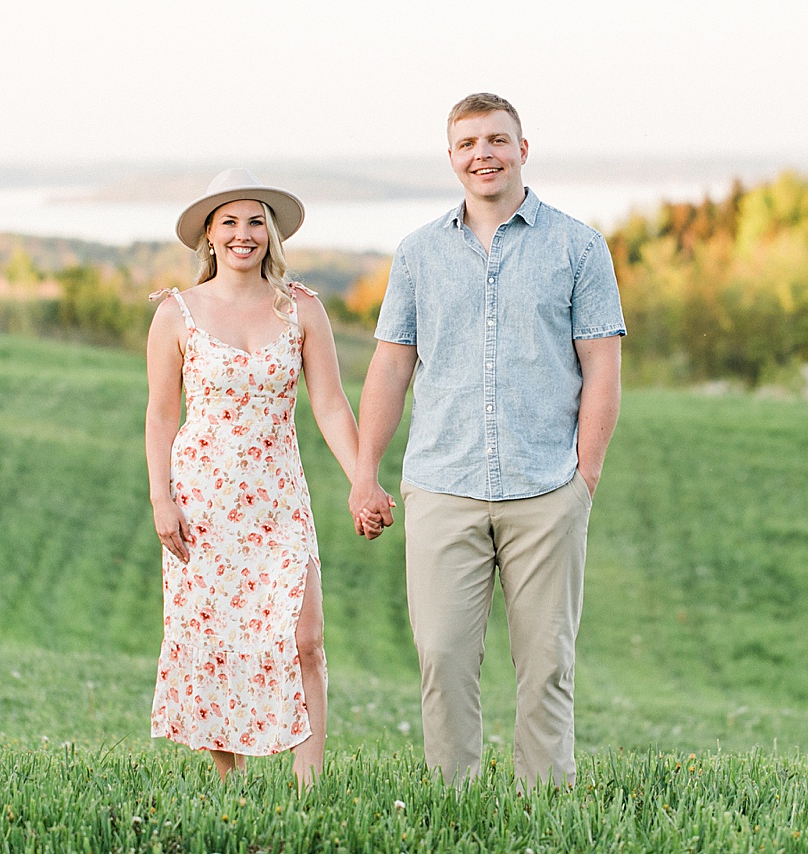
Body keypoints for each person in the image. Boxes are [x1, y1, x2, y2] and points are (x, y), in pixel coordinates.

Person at [348, 93, 626, 791]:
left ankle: (546, 805)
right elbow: (390, 366)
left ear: (523, 149)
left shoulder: (578, 246)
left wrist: (582, 479)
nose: (484, 154)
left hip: (546, 489)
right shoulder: (417, 253)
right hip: (442, 484)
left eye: (497, 140)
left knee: (547, 664)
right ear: (452, 159)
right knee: (441, 658)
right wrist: (364, 472)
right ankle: (455, 804)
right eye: (468, 143)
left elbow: (602, 368)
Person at [146, 168, 379, 790]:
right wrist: (160, 498)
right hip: (203, 502)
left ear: (270, 234)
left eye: (256, 222)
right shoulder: (176, 314)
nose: (244, 234)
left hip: (278, 500)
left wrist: (365, 480)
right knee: (218, 644)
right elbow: (162, 413)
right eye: (230, 222)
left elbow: (330, 404)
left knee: (305, 639)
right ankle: (231, 786)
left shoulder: (301, 308)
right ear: (210, 237)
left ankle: (309, 787)